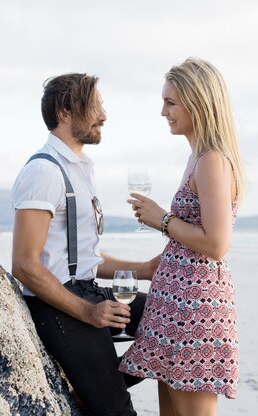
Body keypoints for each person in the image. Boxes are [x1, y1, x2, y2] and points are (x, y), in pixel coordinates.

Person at [11, 72, 159, 416]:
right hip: (59, 307)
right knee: (120, 413)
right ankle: (102, 396)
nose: (104, 116)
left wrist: (143, 270)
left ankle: (89, 395)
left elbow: (81, 258)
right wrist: (88, 312)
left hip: (88, 291)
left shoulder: (79, 168)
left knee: (176, 323)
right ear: (65, 112)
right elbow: (24, 265)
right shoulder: (43, 172)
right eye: (95, 106)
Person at [119, 58, 246, 416]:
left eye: (170, 102)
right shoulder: (196, 156)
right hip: (175, 302)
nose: (163, 112)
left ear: (197, 102)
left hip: (196, 309)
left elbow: (217, 243)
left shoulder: (212, 161)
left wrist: (161, 219)